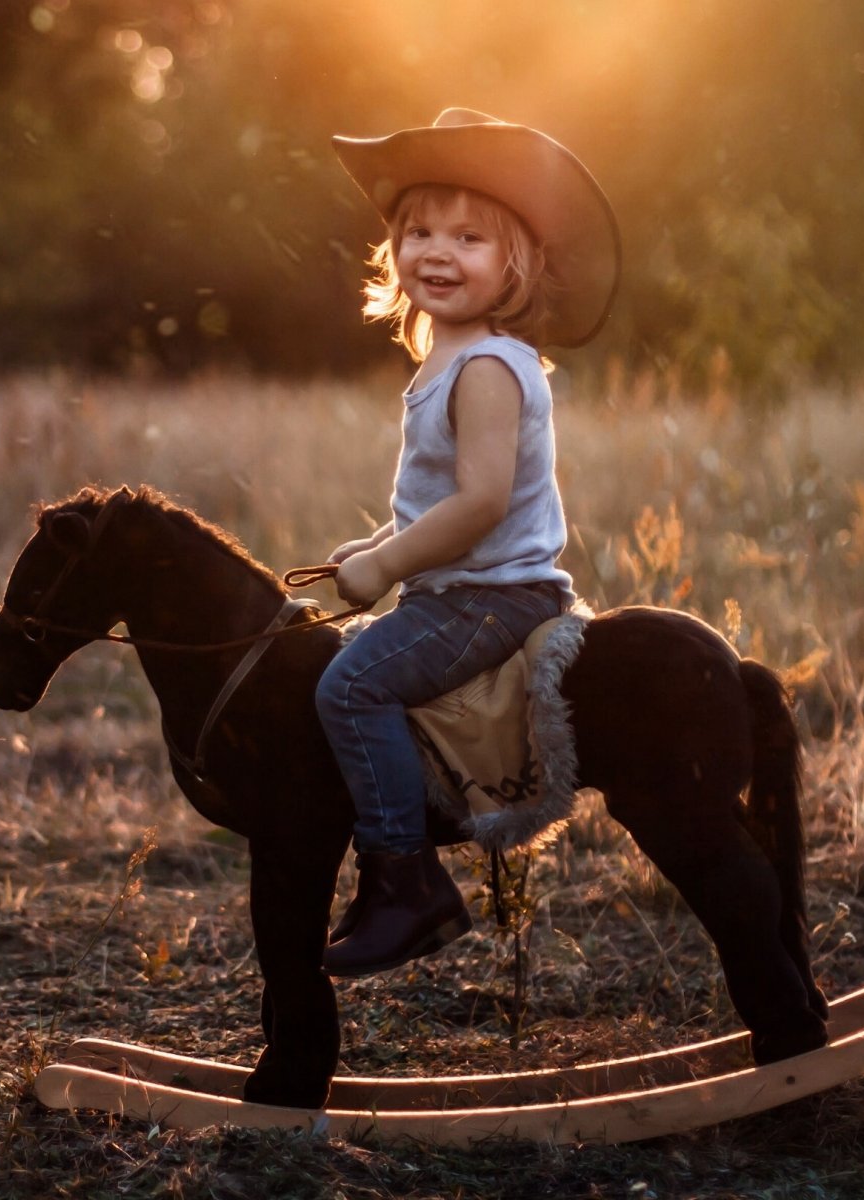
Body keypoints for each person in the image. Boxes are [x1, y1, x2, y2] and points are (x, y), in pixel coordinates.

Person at [316, 108, 620, 977]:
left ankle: (406, 883)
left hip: (495, 597)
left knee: (350, 687)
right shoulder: (450, 360)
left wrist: (384, 567)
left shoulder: (488, 366)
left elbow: (481, 502)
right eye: (418, 231)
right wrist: (373, 545)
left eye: (470, 237)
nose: (437, 252)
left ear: (515, 263)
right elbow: (439, 505)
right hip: (465, 588)